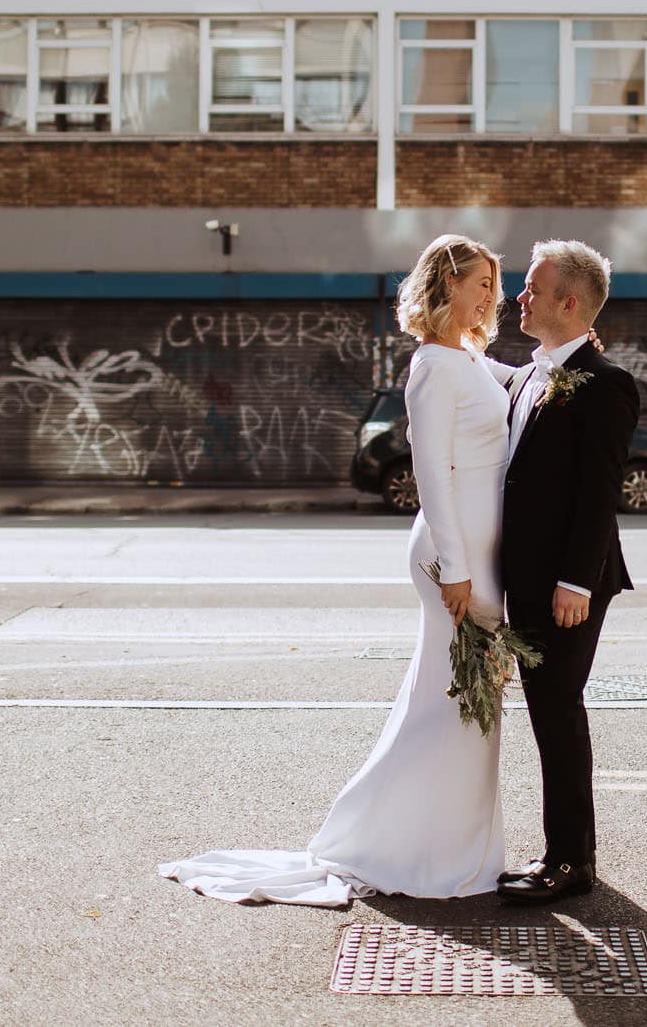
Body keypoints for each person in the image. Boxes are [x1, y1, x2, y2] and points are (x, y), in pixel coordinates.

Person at [161, 235, 515, 906]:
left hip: (476, 553)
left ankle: (445, 841)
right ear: (446, 286)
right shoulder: (432, 367)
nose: (491, 294)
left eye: (495, 283)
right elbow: (431, 475)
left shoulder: (468, 359)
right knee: (455, 708)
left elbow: (524, 382)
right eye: (480, 282)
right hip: (452, 556)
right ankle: (421, 847)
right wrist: (456, 568)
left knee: (465, 708)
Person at [495, 240, 641, 903]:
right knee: (544, 708)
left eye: (530, 288)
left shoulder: (605, 383)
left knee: (557, 710)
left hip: (567, 585)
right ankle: (562, 851)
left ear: (569, 302)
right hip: (524, 576)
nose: (518, 298)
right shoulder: (528, 374)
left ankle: (570, 860)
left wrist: (576, 581)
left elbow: (597, 491)